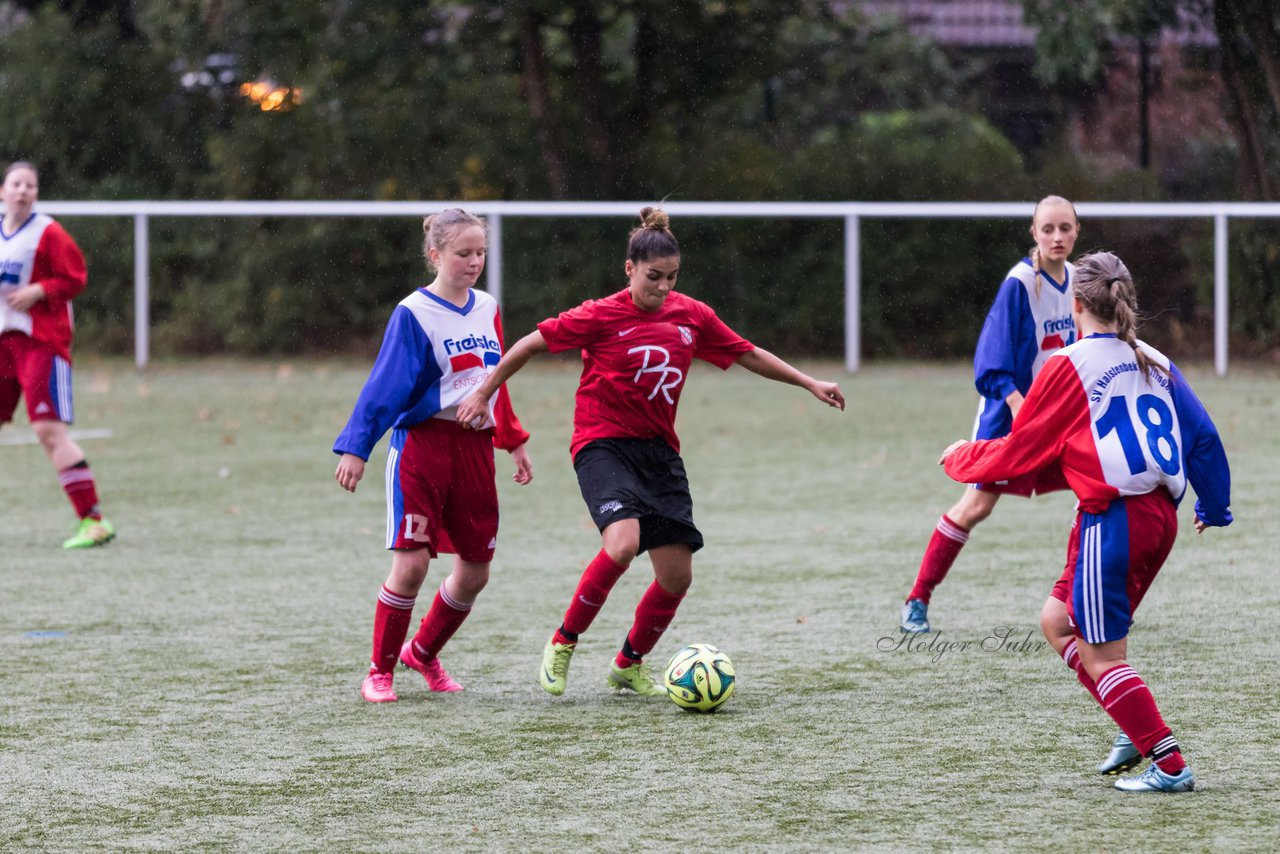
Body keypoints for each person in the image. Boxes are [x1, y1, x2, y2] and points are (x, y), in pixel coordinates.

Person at [455, 206, 845, 698]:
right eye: (653, 277)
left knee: (677, 577)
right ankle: (563, 642)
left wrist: (809, 382)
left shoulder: (691, 315)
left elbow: (746, 353)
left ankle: (627, 665)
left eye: (672, 277)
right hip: (602, 445)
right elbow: (529, 345)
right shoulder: (599, 314)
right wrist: (484, 391)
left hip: (659, 454)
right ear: (629, 269)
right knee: (621, 544)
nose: (663, 288)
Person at [940, 251, 1232, 793]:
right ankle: (1133, 724)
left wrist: (961, 457)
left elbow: (1018, 451)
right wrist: (1214, 506)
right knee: (1056, 621)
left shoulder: (1069, 364)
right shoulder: (1154, 358)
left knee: (1103, 656)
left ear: (1075, 305)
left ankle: (1169, 765)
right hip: (1153, 518)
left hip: (1115, 519)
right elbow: (1204, 438)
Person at [333, 208, 533, 704]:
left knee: (475, 570)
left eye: (480, 252)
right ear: (435, 254)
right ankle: (380, 672)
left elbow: (494, 380)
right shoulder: (414, 313)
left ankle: (422, 653)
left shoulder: (487, 307)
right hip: (422, 447)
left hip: (474, 451)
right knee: (413, 565)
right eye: (463, 253)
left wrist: (512, 439)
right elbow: (385, 385)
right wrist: (356, 447)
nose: (473, 262)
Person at [900, 195, 1080, 633]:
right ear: (1033, 232)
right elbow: (992, 362)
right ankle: (917, 600)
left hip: (1060, 416)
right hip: (1011, 413)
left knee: (1095, 495)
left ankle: (1085, 599)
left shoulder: (1080, 280)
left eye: (1066, 228)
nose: (1057, 236)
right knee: (977, 505)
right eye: (1048, 228)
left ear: (1078, 231)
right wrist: (1023, 410)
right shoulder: (1019, 283)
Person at [0, 161, 115, 549]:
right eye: (15, 184)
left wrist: (39, 291)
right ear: (3, 191)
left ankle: (93, 521)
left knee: (48, 431)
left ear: (36, 193)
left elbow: (76, 278)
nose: (22, 191)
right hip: (3, 346)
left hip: (41, 344)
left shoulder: (48, 232)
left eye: (29, 185)